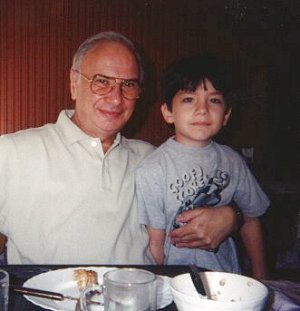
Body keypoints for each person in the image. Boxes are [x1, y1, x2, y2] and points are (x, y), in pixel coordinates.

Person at [0, 32, 238, 264]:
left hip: (140, 299)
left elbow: (220, 194)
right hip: (46, 300)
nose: (116, 98)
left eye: (128, 85)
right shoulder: (13, 152)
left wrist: (232, 217)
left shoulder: (154, 159)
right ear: (74, 83)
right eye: (102, 82)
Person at [135, 54, 270, 279]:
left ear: (226, 115)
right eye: (189, 99)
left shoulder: (233, 161)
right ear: (168, 112)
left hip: (227, 280)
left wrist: (262, 279)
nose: (202, 109)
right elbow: (155, 245)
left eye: (214, 100)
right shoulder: (152, 169)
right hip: (174, 283)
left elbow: (251, 219)